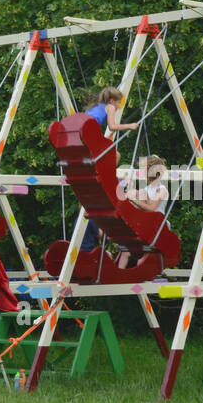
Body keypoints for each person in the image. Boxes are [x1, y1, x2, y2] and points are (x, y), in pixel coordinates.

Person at [80, 87, 139, 253]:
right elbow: (112, 127)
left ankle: (103, 173)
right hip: (90, 136)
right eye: (119, 102)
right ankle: (107, 177)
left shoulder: (93, 107)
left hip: (84, 137)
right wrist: (130, 126)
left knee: (110, 153)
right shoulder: (110, 107)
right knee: (116, 155)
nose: (120, 105)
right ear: (112, 101)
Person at [117, 155, 169, 268]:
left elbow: (151, 209)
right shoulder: (146, 189)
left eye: (144, 170)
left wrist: (135, 200)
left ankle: (139, 274)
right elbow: (140, 207)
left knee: (144, 251)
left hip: (158, 225)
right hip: (146, 223)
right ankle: (120, 275)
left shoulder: (161, 190)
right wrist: (129, 190)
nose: (142, 173)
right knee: (126, 251)